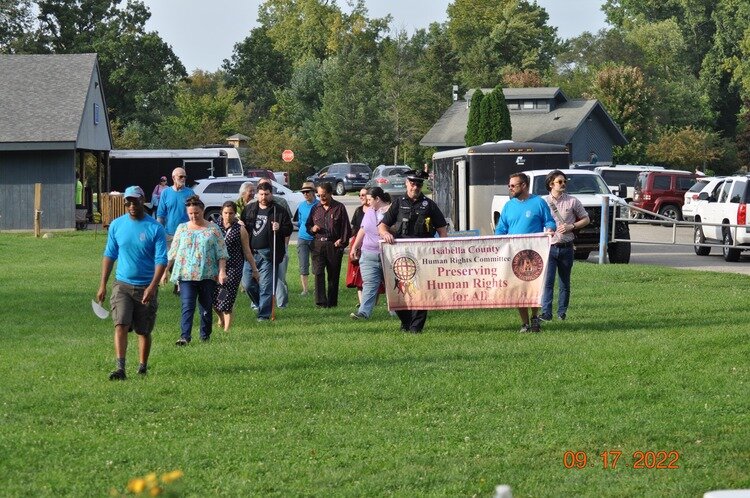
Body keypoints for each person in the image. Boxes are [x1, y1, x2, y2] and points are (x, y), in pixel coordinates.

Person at [96, 186, 167, 380]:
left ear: (143, 200)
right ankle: (120, 368)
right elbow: (109, 255)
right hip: (122, 285)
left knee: (143, 331)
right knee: (120, 324)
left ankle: (142, 366)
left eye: (135, 201)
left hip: (146, 286)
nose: (132, 205)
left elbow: (161, 259)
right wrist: (103, 284)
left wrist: (152, 287)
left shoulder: (155, 228)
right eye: (128, 202)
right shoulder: (117, 225)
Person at [379, 170, 448, 333]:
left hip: (423, 254)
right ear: (406, 183)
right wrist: (386, 234)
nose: (415, 186)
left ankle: (416, 327)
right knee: (399, 289)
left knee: (421, 290)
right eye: (412, 183)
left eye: (418, 184)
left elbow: (442, 229)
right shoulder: (397, 203)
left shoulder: (429, 204)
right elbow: (382, 226)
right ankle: (406, 321)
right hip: (400, 254)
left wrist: (441, 247)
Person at [494, 172, 556, 333]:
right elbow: (501, 228)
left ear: (524, 185)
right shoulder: (509, 206)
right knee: (518, 288)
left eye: (513, 185)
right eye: (509, 185)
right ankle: (524, 323)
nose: (510, 188)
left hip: (534, 253)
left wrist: (550, 229)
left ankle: (535, 318)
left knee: (534, 287)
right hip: (515, 254)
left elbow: (549, 220)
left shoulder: (538, 203)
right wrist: (497, 241)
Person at [168, 195, 228, 345]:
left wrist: (222, 272)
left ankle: (205, 336)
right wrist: (165, 270)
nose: (194, 216)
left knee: (206, 308)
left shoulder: (213, 229)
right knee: (187, 306)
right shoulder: (182, 228)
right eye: (191, 213)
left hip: (207, 275)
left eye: (197, 213)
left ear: (202, 211)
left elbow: (221, 253)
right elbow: (173, 251)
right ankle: (184, 337)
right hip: (186, 275)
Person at [540, 170, 590, 322]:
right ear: (551, 184)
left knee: (564, 283)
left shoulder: (573, 201)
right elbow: (538, 220)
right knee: (547, 283)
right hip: (549, 247)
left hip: (567, 247)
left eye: (564, 182)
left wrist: (572, 226)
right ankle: (546, 314)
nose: (563, 184)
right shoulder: (543, 201)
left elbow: (586, 219)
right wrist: (546, 230)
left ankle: (562, 313)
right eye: (560, 182)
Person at [243, 182, 293, 321]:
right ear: (257, 195)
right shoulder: (249, 209)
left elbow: (288, 228)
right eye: (261, 194)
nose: (264, 197)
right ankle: (260, 304)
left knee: (266, 286)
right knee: (247, 284)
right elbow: (243, 228)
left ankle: (263, 316)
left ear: (271, 194)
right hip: (251, 254)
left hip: (269, 254)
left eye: (266, 194)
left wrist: (280, 228)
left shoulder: (279, 211)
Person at [306, 182, 352, 308]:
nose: (321, 198)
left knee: (333, 275)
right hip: (318, 245)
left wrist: (342, 241)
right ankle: (321, 302)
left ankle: (332, 303)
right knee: (318, 272)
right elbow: (307, 225)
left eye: (324, 195)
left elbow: (346, 228)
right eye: (319, 195)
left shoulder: (339, 207)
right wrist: (312, 229)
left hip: (333, 245)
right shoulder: (315, 208)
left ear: (330, 193)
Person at [213, 201, 256, 332]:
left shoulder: (240, 229)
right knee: (214, 298)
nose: (228, 216)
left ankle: (227, 329)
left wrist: (254, 269)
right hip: (216, 267)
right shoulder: (215, 226)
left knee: (226, 296)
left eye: (231, 213)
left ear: (235, 213)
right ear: (221, 212)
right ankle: (220, 317)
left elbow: (247, 250)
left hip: (233, 268)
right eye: (225, 213)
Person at [349, 187, 390, 319]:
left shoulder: (391, 211)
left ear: (377, 199)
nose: (367, 203)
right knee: (369, 284)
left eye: (370, 200)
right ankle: (363, 313)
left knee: (393, 284)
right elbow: (363, 229)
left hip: (388, 254)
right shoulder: (369, 211)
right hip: (368, 254)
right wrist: (355, 246)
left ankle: (397, 312)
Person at [346, 188, 369, 305]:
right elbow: (354, 229)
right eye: (359, 195)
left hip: (370, 245)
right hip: (358, 244)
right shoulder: (358, 211)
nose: (361, 197)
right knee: (358, 274)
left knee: (370, 276)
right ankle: (361, 302)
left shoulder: (375, 211)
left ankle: (371, 301)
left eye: (363, 195)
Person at [296, 181, 319, 296]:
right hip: (302, 238)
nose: (305, 194)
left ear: (313, 192)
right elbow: (300, 222)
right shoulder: (301, 205)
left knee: (316, 264)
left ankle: (317, 288)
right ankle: (305, 290)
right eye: (303, 192)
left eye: (307, 192)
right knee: (303, 264)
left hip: (316, 238)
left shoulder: (319, 204)